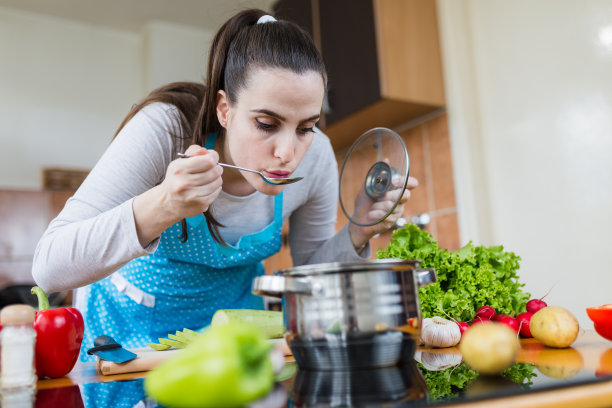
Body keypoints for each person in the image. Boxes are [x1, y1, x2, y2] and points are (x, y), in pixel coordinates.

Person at [32, 9, 418, 361]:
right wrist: (164, 204)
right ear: (225, 109)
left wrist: (358, 231)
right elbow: (49, 267)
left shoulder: (316, 156)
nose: (288, 152)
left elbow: (310, 276)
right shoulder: (166, 130)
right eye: (266, 124)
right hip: (128, 345)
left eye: (306, 127)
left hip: (233, 345)